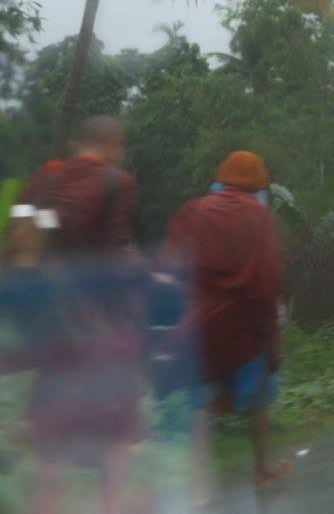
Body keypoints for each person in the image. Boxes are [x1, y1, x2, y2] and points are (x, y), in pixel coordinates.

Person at [23, 116, 145, 514]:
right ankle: (111, 504)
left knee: (52, 414)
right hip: (98, 321)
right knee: (117, 417)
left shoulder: (47, 180)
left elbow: (30, 234)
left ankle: (47, 504)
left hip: (51, 319)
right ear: (112, 145)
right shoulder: (115, 182)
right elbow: (115, 252)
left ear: (80, 143)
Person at [158, 150, 290, 501]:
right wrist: (270, 330)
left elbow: (169, 266)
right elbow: (267, 278)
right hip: (246, 322)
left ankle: (199, 485)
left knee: (199, 402)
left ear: (222, 180)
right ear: (258, 185)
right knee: (257, 398)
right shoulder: (259, 217)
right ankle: (261, 471)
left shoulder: (193, 211)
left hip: (200, 322)